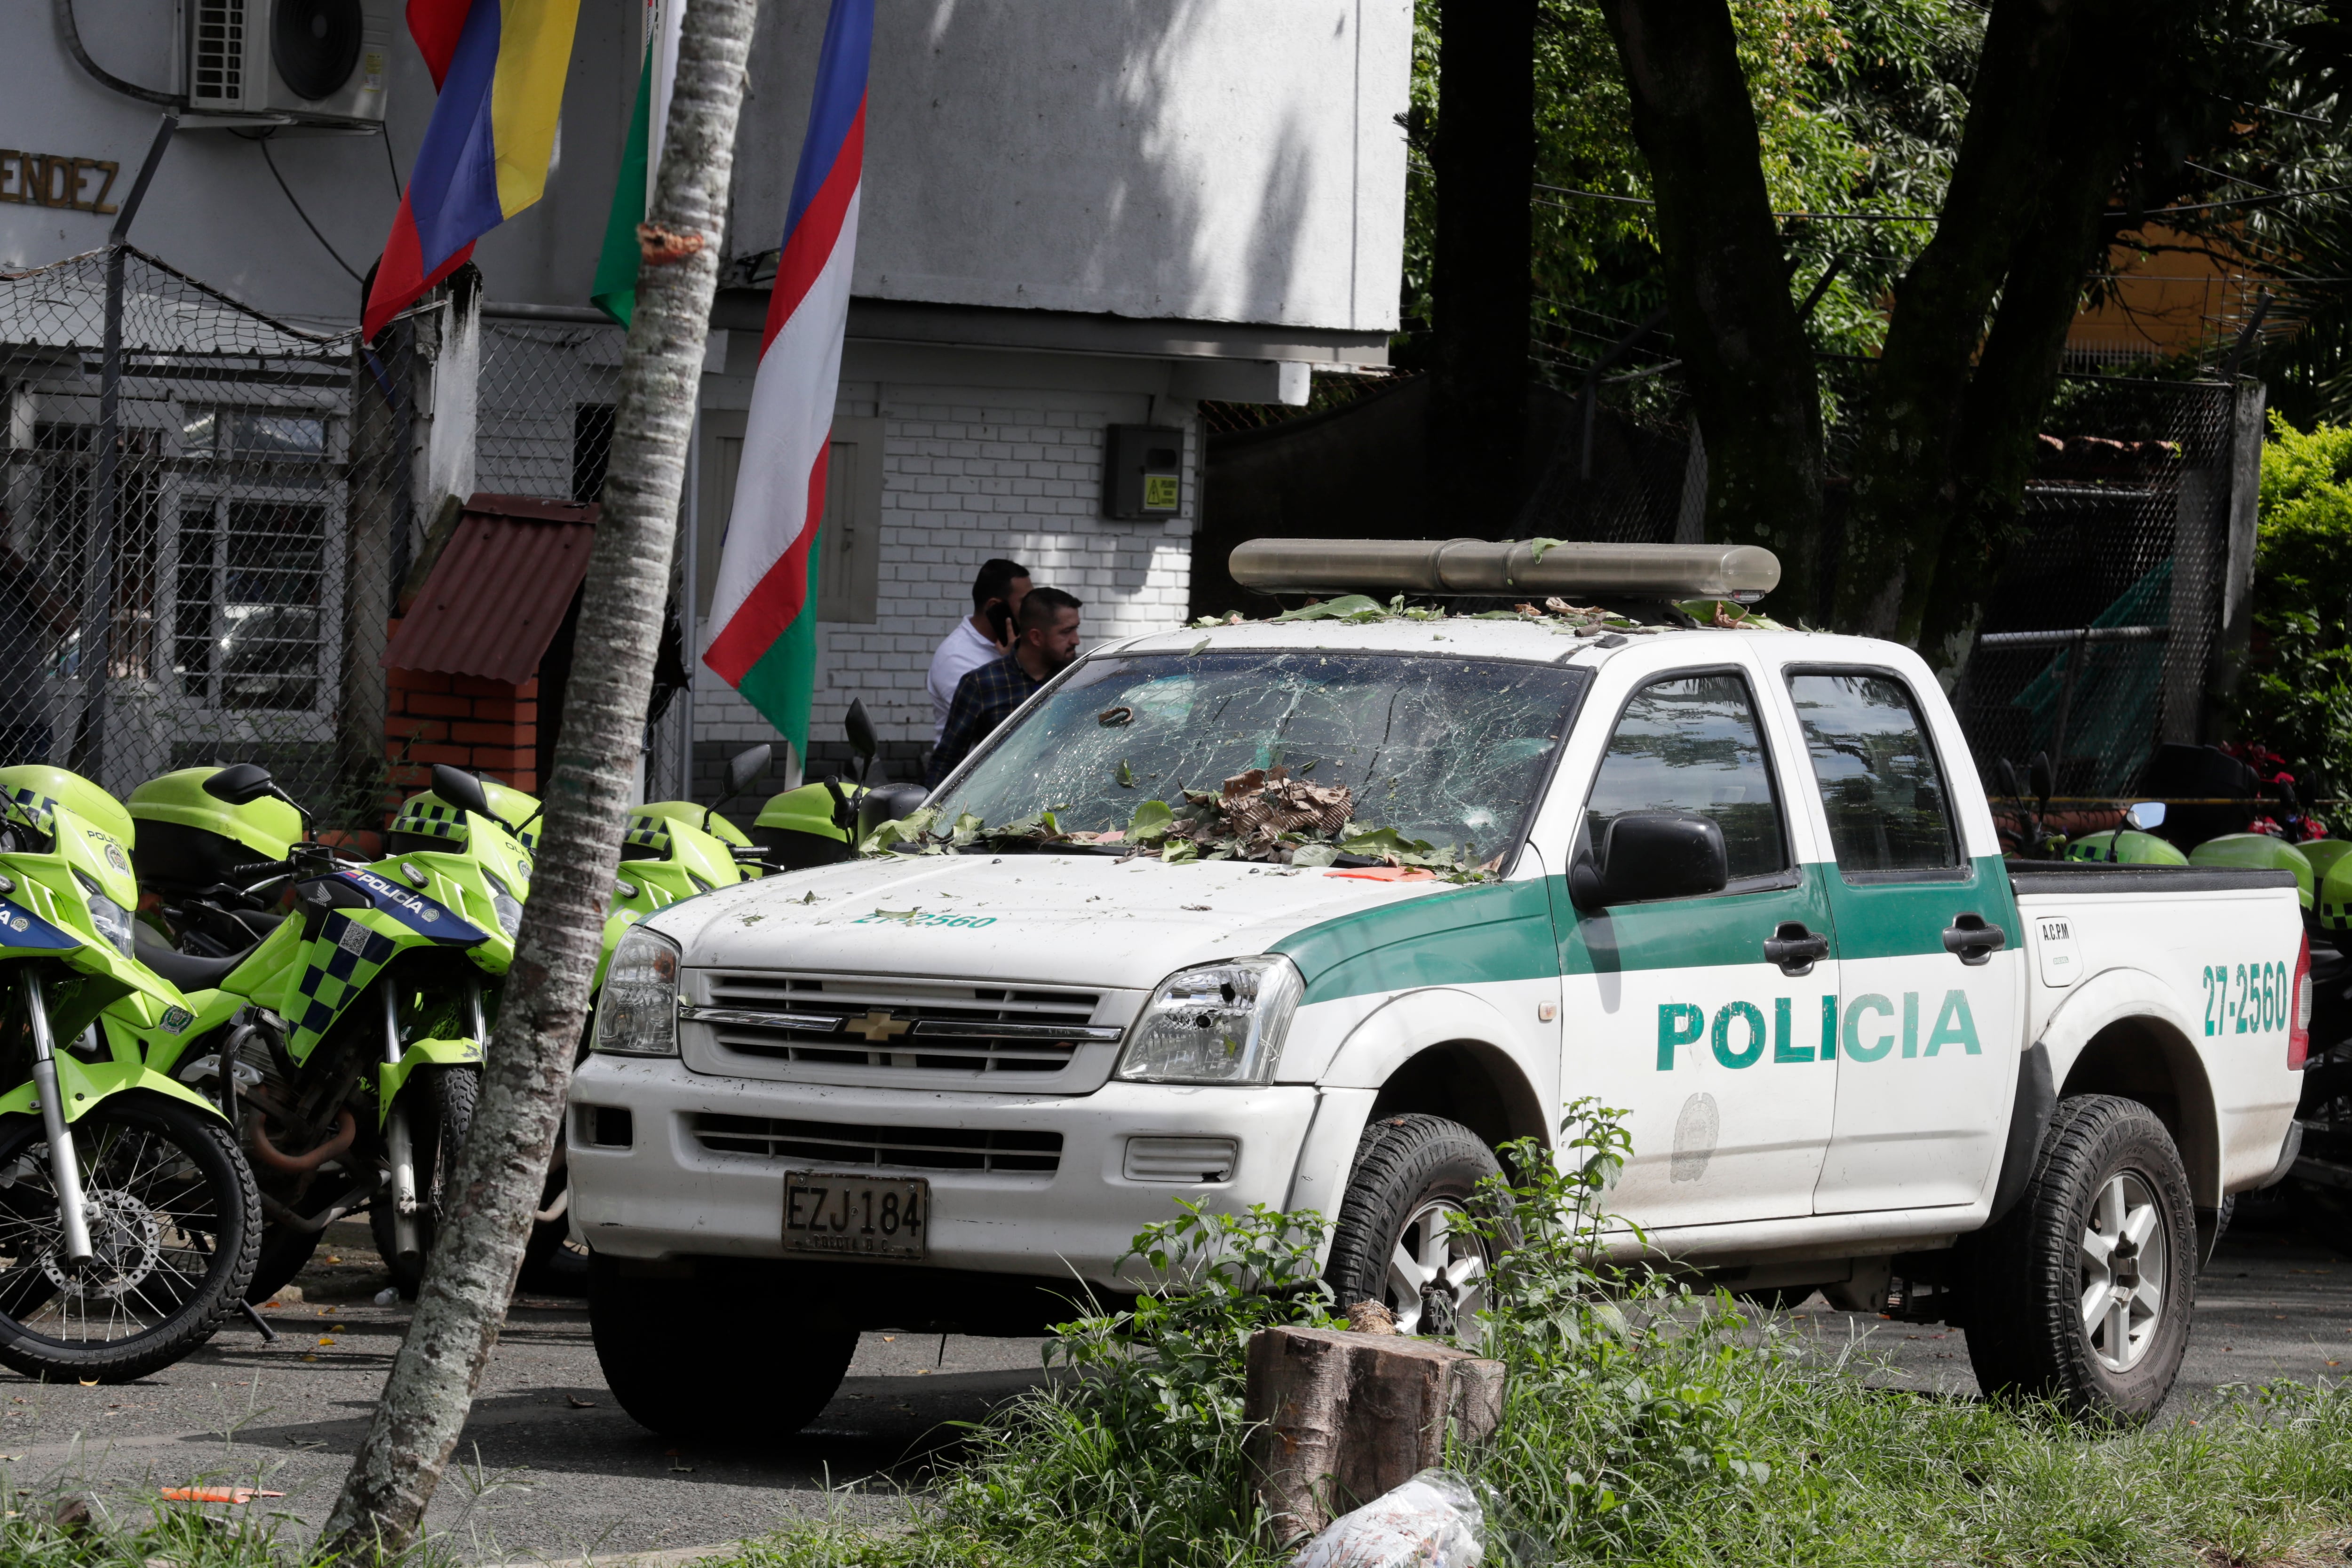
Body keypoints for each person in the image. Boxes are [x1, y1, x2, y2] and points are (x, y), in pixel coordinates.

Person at [926, 586, 1083, 787]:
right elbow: (946, 762)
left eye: (1076, 628)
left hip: (1072, 801)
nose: (1076, 640)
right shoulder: (983, 684)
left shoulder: (1081, 676)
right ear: (1036, 637)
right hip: (1001, 808)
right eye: (1067, 632)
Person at [927, 558, 1031, 745]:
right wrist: (1012, 665)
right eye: (1025, 603)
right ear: (995, 607)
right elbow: (998, 730)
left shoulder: (1016, 644)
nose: (1032, 611)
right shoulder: (956, 657)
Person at [0, 534, 72, 766]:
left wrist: (21, 571)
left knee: (24, 797)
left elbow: (65, 622)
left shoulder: (20, 576)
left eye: (4, 531)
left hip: (24, 715)